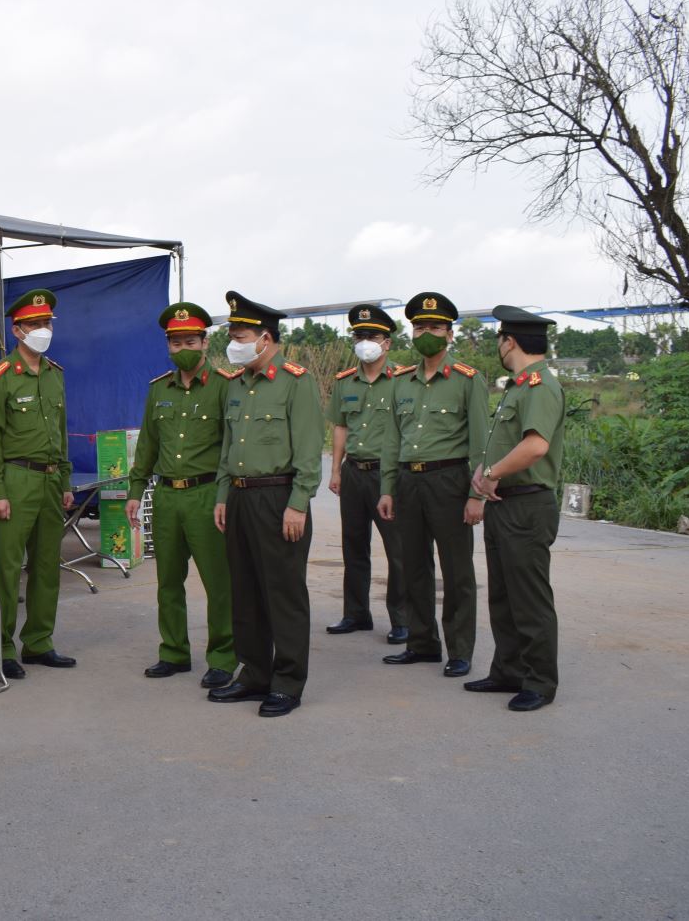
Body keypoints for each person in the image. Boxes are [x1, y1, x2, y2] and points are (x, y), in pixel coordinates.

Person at [208, 292, 323, 718]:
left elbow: (310, 449)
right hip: (239, 496)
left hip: (279, 497)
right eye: (232, 335)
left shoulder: (297, 381)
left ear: (265, 337)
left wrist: (298, 503)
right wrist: (223, 494)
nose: (233, 343)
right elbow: (227, 446)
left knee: (283, 593)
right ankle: (254, 673)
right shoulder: (236, 385)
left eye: (239, 335)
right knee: (246, 591)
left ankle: (288, 682)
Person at [126, 302, 238, 689]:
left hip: (207, 495)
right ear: (168, 346)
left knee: (217, 582)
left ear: (205, 343)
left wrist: (226, 496)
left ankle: (224, 656)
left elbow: (231, 449)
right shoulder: (159, 390)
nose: (182, 349)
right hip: (167, 498)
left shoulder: (226, 386)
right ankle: (173, 651)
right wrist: (135, 490)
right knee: (167, 581)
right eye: (175, 343)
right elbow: (148, 445)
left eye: (190, 340)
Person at [377, 292, 488, 680]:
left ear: (449, 333)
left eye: (435, 327)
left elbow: (480, 443)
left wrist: (477, 495)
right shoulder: (400, 381)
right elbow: (391, 440)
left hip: (449, 480)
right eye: (420, 326)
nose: (427, 333)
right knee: (412, 566)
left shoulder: (468, 380)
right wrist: (387, 488)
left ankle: (459, 649)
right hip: (408, 481)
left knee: (457, 571)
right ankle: (421, 643)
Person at [466, 306, 566, 712]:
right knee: (504, 597)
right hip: (506, 504)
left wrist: (491, 472)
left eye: (500, 340)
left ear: (509, 341)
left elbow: (535, 446)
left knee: (529, 599)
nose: (500, 347)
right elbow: (510, 442)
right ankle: (508, 670)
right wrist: (486, 470)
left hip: (528, 505)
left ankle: (539, 681)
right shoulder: (519, 387)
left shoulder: (540, 386)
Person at [0, 289, 75, 678]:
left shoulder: (55, 375)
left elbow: (62, 432)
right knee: (6, 567)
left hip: (51, 480)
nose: (43, 330)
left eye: (47, 323)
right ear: (17, 330)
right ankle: (0, 648)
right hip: (16, 480)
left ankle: (39, 642)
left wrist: (65, 480)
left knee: (48, 566)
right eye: (34, 325)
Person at [325, 304, 409, 644]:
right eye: (359, 336)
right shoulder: (346, 382)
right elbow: (340, 427)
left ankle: (402, 619)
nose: (364, 342)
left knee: (398, 550)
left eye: (371, 336)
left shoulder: (403, 380)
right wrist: (335, 470)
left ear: (386, 343)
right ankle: (356, 613)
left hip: (389, 475)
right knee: (353, 546)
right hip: (354, 473)